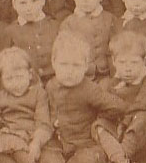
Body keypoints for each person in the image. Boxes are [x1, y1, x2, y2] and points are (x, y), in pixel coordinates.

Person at [46, 33, 129, 163]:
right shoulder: (51, 86)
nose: (69, 71)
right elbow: (47, 110)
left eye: (76, 65)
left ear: (85, 67)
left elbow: (118, 106)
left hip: (86, 144)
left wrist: (99, 121)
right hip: (60, 144)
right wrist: (53, 120)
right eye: (64, 64)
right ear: (54, 63)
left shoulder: (89, 89)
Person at [0, 47, 56, 163]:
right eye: (9, 79)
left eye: (19, 77)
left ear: (29, 74)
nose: (15, 84)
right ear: (1, 79)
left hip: (32, 138)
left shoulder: (39, 93)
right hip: (6, 138)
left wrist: (37, 142)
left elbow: (43, 123)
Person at [93, 32, 146, 163]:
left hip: (136, 134)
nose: (128, 68)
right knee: (100, 124)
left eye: (134, 62)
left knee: (144, 118)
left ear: (144, 61)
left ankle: (122, 156)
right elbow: (103, 106)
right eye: (122, 62)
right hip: (116, 129)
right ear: (114, 62)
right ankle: (118, 157)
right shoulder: (109, 83)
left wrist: (125, 120)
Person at [0, 0, 60, 84]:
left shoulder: (55, 26)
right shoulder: (10, 31)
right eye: (23, 3)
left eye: (34, 1)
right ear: (14, 4)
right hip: (26, 85)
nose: (29, 8)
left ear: (42, 0)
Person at [60, 0, 116, 80]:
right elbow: (67, 54)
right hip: (81, 76)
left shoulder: (111, 19)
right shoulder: (68, 24)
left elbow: (116, 51)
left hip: (108, 75)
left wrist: (114, 76)